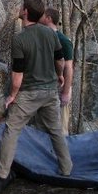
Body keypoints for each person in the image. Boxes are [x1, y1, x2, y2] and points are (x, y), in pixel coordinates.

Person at [0, 0, 73, 180]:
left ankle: (1, 171)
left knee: (12, 128)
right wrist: (60, 75)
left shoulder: (20, 39)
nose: (19, 8)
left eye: (21, 6)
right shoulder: (51, 34)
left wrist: (12, 95)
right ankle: (66, 168)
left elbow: (18, 74)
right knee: (56, 130)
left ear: (25, 12)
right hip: (50, 92)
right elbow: (60, 60)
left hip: (29, 93)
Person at [35, 7, 74, 135]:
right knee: (40, 126)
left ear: (48, 18)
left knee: (59, 127)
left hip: (59, 87)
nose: (39, 17)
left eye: (42, 15)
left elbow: (68, 67)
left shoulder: (63, 41)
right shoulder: (40, 38)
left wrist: (66, 92)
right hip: (42, 87)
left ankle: (60, 154)